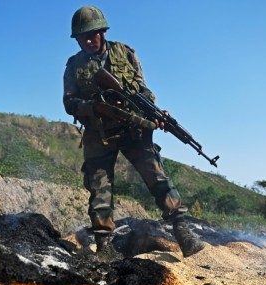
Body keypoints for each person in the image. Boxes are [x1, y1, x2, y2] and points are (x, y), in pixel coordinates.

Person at [63, 6, 205, 261]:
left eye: (92, 35)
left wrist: (154, 113)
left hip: (132, 127)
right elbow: (69, 103)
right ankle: (105, 245)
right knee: (99, 188)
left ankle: (183, 233)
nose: (87, 40)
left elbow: (142, 89)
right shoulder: (74, 66)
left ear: (102, 32)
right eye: (82, 37)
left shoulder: (125, 53)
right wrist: (93, 107)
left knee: (157, 176)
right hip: (99, 132)